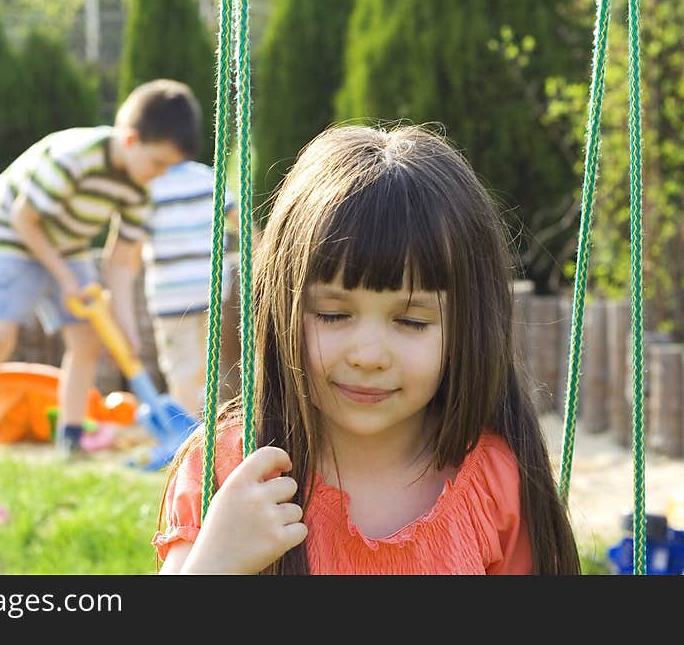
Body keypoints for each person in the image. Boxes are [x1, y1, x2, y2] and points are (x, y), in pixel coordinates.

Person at [152, 124, 581, 574]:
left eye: (411, 321)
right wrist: (215, 561)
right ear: (282, 308)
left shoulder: (497, 486)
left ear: (465, 329)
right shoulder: (228, 471)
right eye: (333, 315)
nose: (368, 355)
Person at [0, 79, 202, 456]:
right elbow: (24, 217)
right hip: (14, 232)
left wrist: (127, 331)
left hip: (68, 242)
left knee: (87, 341)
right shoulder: (77, 156)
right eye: (157, 163)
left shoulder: (139, 189)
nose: (160, 174)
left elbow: (119, 262)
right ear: (131, 140)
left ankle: (69, 442)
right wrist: (66, 279)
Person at [141, 160, 238, 417]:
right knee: (206, 365)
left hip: (170, 293)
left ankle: (186, 433)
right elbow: (240, 220)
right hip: (210, 286)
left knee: (180, 366)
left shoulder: (149, 184)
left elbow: (133, 241)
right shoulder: (206, 177)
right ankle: (205, 426)